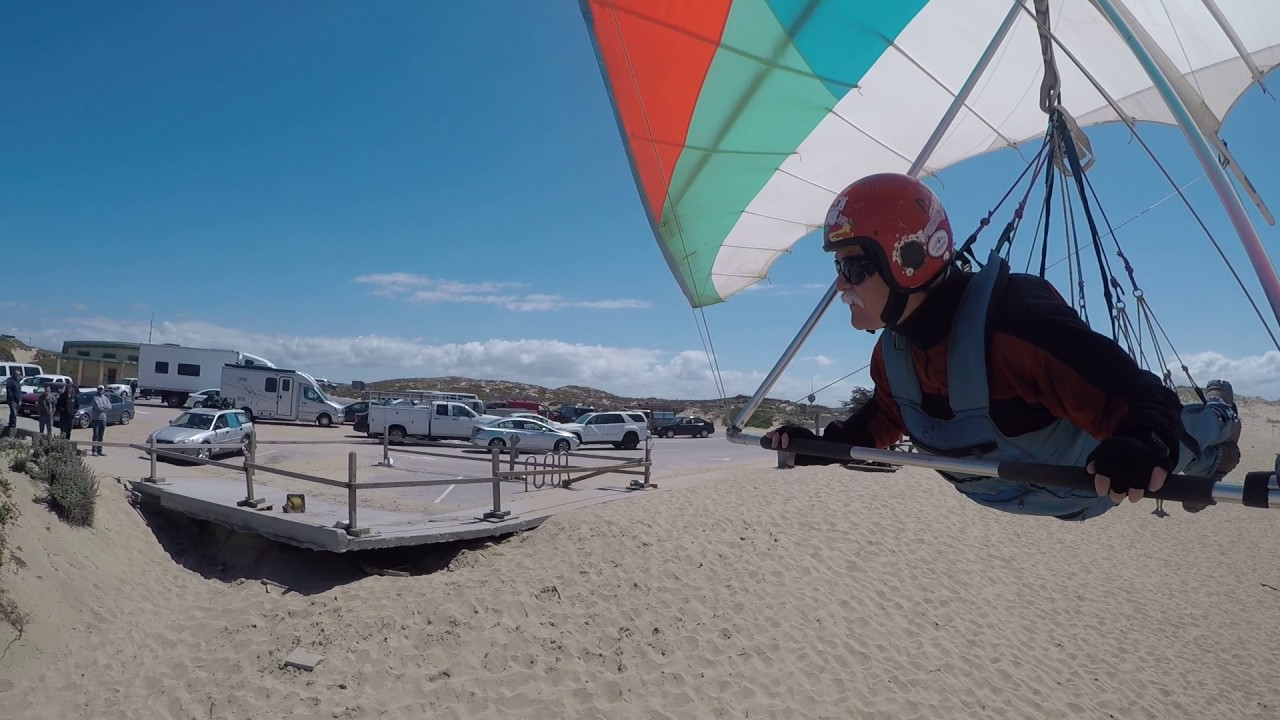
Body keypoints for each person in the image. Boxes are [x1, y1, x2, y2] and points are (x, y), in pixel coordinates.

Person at [767, 173, 1242, 520]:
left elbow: (1134, 394)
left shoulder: (1014, 325)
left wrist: (1145, 441)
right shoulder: (894, 354)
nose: (841, 286)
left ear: (907, 258)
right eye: (837, 269)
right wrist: (826, 446)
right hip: (1026, 495)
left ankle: (1221, 421)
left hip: (1094, 484)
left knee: (1186, 439)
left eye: (852, 268)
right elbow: (890, 418)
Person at [90, 385, 111, 456]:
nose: (100, 390)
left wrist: (103, 407)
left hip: (103, 419)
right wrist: (104, 407)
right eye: (99, 389)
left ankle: (100, 450)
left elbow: (110, 407)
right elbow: (97, 407)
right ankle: (94, 451)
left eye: (102, 389)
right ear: (97, 389)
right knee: (95, 435)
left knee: (101, 436)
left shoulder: (105, 398)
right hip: (96, 419)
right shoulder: (95, 397)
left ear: (104, 390)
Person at [4, 369, 20, 434]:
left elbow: (19, 392)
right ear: (14, 374)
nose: (19, 376)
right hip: (12, 400)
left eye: (19, 374)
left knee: (14, 413)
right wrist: (12, 399)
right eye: (18, 374)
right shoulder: (10, 381)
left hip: (18, 400)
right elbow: (9, 392)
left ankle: (11, 423)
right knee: (14, 413)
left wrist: (20, 399)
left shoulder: (18, 382)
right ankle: (13, 425)